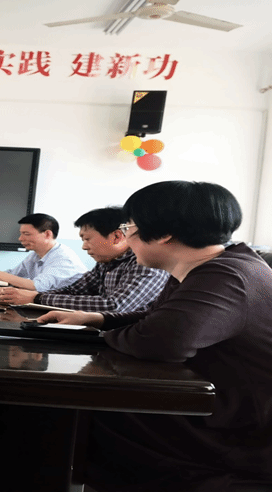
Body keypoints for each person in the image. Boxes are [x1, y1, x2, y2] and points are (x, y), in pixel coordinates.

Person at [38, 181, 272, 492]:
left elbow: (160, 342)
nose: (127, 237)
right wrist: (97, 320)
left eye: (129, 227)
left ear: (163, 234)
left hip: (236, 431)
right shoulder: (211, 266)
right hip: (214, 404)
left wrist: (106, 334)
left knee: (70, 409)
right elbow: (156, 318)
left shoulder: (226, 276)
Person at [0, 207, 169, 312]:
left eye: (87, 239)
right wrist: (29, 296)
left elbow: (114, 305)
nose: (84, 247)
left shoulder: (146, 263)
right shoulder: (106, 263)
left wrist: (37, 298)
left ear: (116, 236)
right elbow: (74, 291)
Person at [0, 213, 86, 291]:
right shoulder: (35, 255)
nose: (20, 238)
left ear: (47, 234)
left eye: (26, 234)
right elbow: (13, 275)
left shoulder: (63, 258)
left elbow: (36, 286)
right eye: (21, 234)